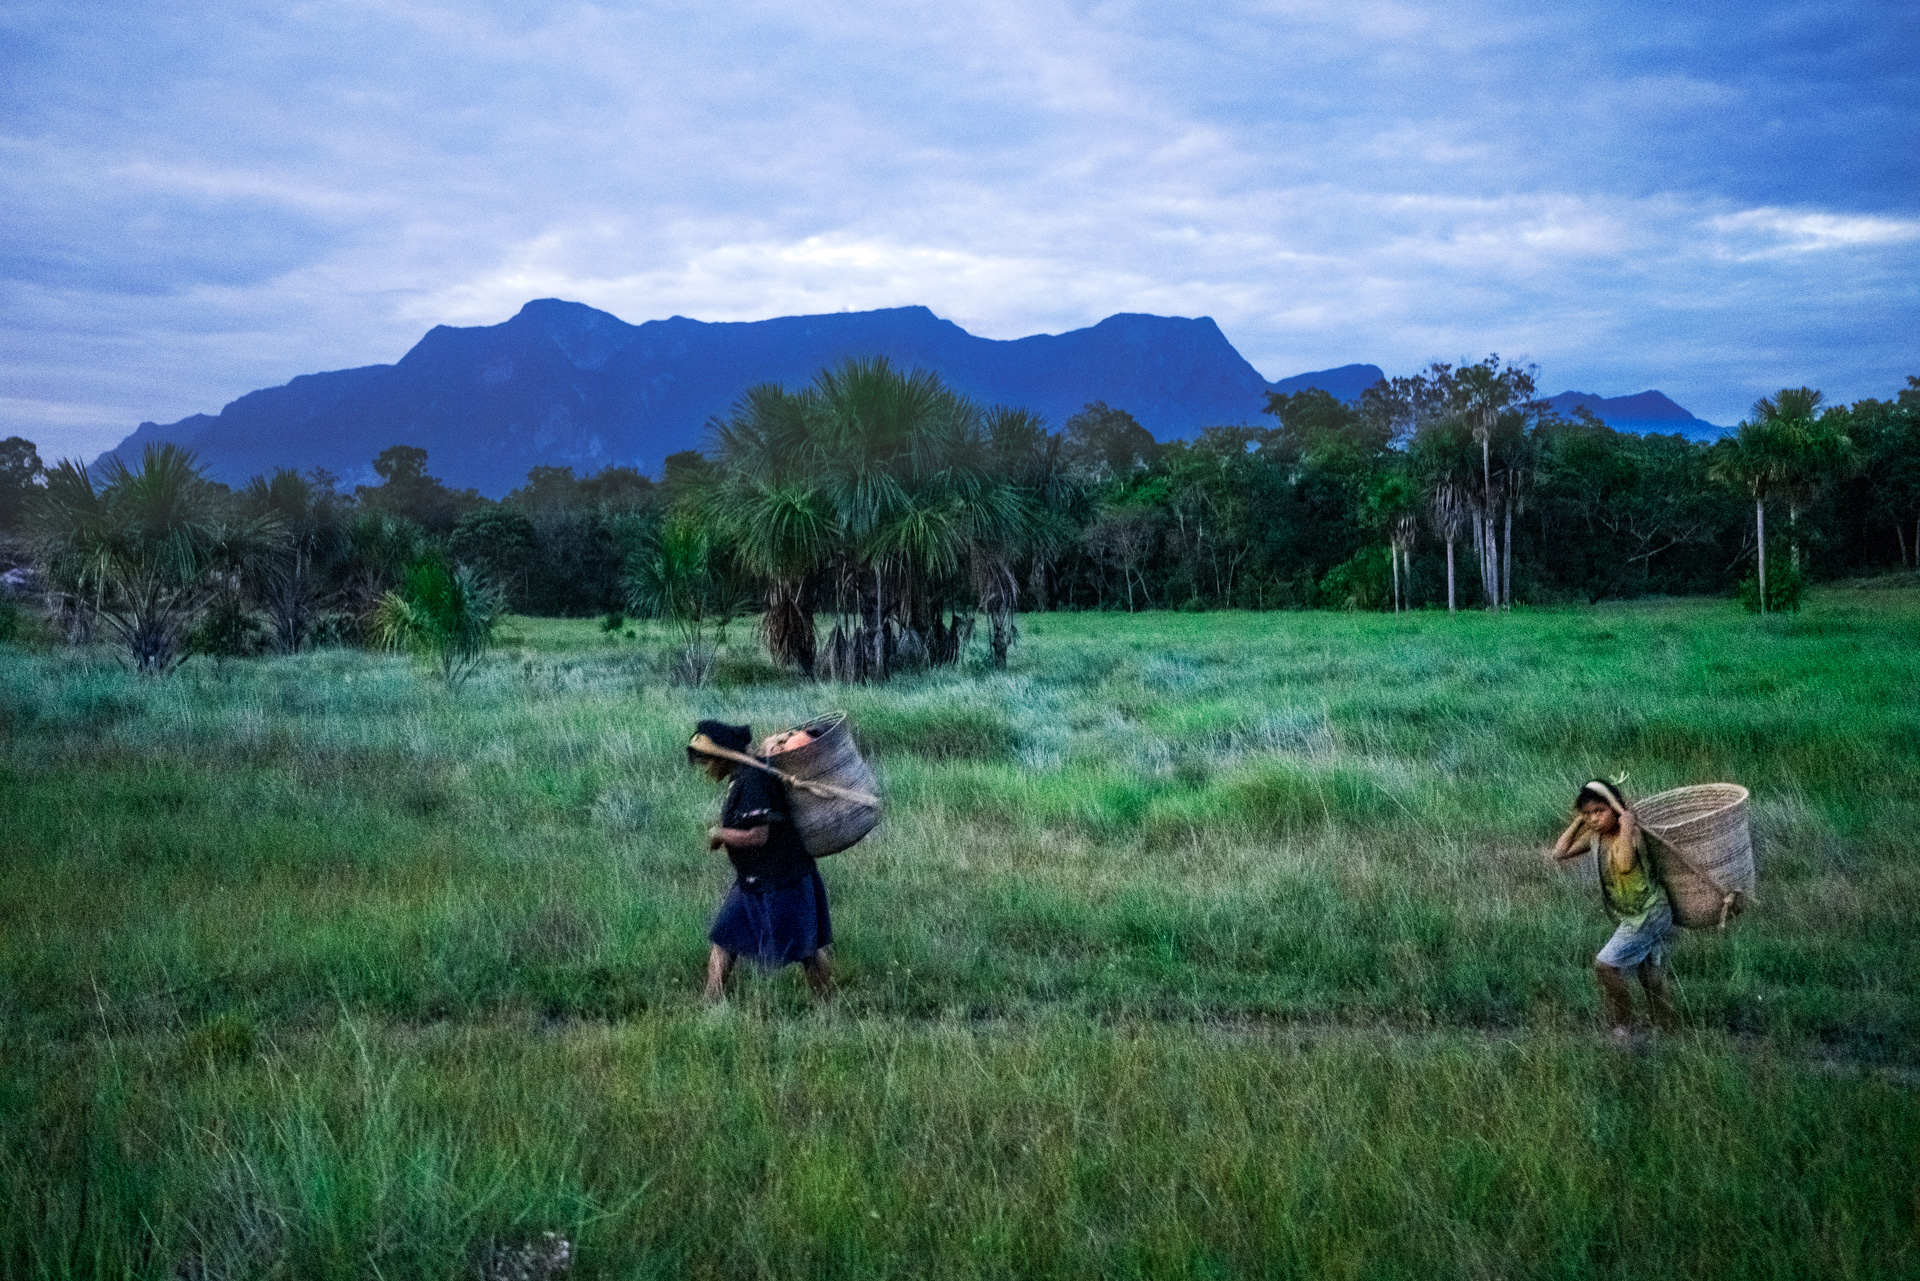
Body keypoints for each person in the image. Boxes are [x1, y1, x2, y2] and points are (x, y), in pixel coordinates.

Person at [687, 720, 834, 1003]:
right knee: (724, 939)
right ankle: (711, 1002)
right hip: (753, 879)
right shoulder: (742, 778)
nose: (706, 770)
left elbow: (758, 836)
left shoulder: (754, 781)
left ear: (722, 757)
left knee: (807, 950)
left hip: (783, 878)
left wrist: (721, 834)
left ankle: (828, 1006)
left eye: (707, 762)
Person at [1548, 778, 1678, 1041]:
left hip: (1650, 913)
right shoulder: (1595, 837)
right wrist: (1578, 822)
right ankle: (1665, 1027)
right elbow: (1559, 853)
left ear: (1615, 809)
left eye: (1599, 811)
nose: (1594, 819)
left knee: (1605, 966)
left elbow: (1625, 864)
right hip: (1636, 915)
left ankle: (1623, 1025)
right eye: (1587, 813)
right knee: (1649, 975)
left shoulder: (1630, 834)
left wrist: (1627, 825)